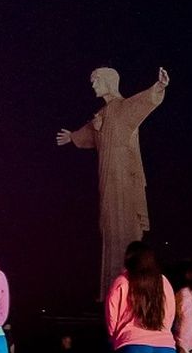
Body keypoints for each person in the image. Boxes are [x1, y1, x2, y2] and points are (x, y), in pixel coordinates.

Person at [56, 67, 170, 300]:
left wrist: (158, 87)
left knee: (125, 227)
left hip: (124, 182)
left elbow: (143, 102)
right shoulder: (102, 114)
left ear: (108, 82)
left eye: (96, 80)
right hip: (108, 183)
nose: (93, 85)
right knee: (109, 227)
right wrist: (73, 137)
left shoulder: (122, 109)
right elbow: (88, 131)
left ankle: (131, 288)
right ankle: (112, 289)